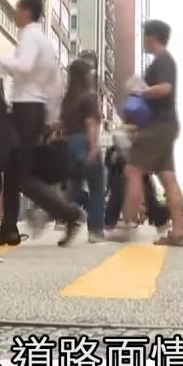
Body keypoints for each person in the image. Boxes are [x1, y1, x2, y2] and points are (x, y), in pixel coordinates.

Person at [0, 0, 84, 247]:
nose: (15, 13)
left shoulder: (29, 35)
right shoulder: (44, 41)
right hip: (33, 111)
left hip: (25, 109)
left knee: (20, 175)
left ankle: (70, 214)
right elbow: (56, 84)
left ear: (26, 11)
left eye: (17, 8)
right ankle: (9, 229)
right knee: (12, 171)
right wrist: (49, 117)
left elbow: (23, 65)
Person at [113, 19, 183, 246]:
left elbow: (165, 89)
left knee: (133, 170)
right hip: (166, 125)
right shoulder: (164, 60)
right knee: (167, 177)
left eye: (144, 35)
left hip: (158, 126)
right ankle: (178, 232)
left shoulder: (163, 60)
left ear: (152, 37)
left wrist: (140, 91)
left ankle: (128, 226)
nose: (143, 40)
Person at [59, 59, 104, 241]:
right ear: (85, 75)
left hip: (69, 145)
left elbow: (62, 125)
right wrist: (93, 148)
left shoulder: (67, 100)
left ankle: (68, 218)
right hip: (84, 142)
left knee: (74, 188)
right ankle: (95, 231)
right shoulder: (89, 97)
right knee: (96, 188)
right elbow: (91, 123)